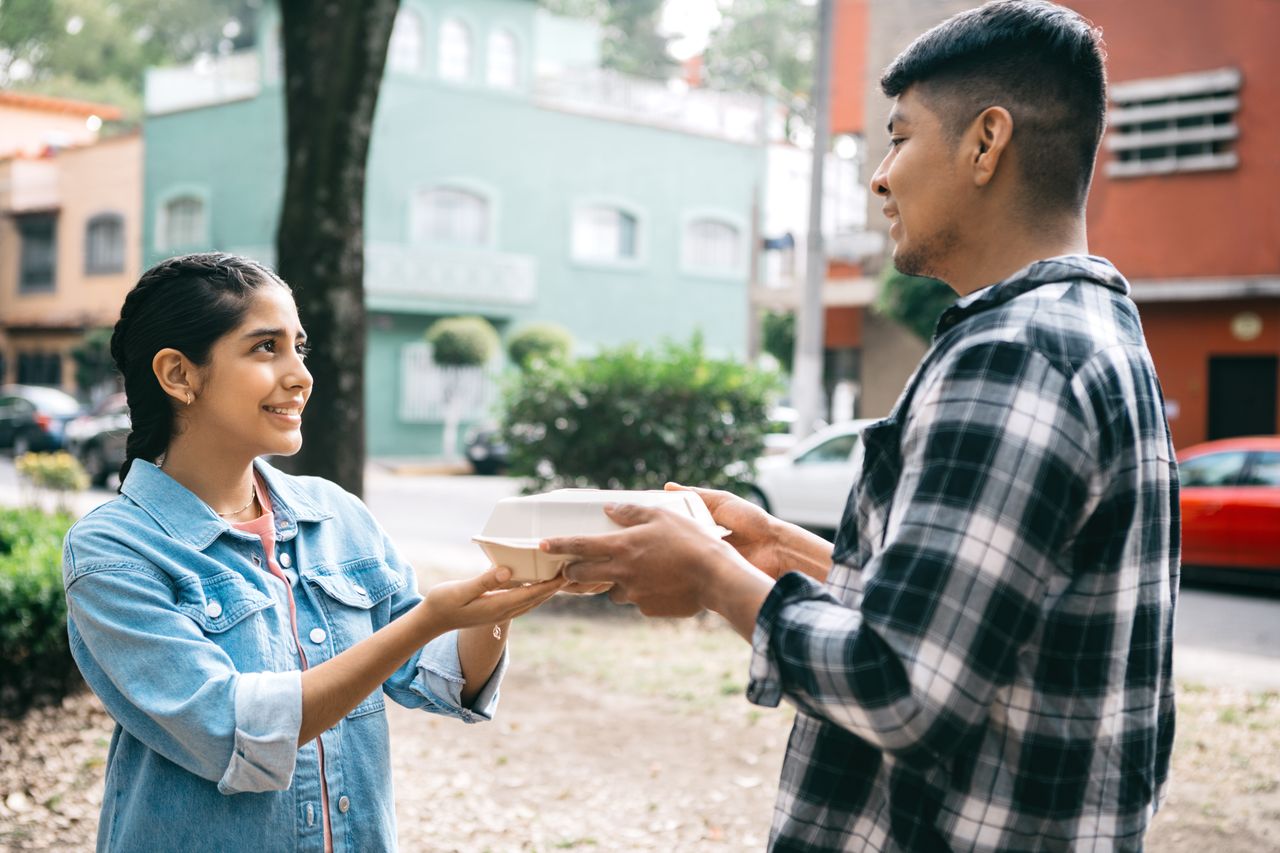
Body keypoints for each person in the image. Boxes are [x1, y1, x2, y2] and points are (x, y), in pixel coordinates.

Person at [543, 2, 1179, 850]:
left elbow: (903, 686)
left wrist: (708, 575)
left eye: (899, 137)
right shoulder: (1094, 335)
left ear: (987, 143)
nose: (879, 177)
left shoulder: (1013, 355)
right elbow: (976, 628)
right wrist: (780, 549)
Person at [63, 253, 566, 852]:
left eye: (299, 347)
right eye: (264, 348)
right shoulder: (114, 552)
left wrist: (503, 597)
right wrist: (434, 616)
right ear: (178, 375)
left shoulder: (335, 513)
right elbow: (232, 731)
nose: (300, 373)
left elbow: (438, 674)